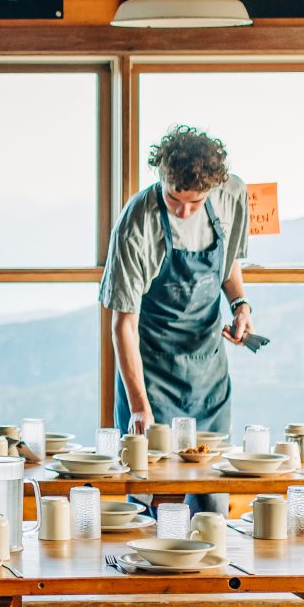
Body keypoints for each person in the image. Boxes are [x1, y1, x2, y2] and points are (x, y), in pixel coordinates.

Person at [100, 124, 253, 435]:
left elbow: (229, 260)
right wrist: (139, 405)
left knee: (211, 478)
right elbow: (123, 325)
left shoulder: (232, 194)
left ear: (214, 187)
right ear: (161, 178)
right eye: (174, 199)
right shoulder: (136, 224)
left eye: (196, 203)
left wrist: (240, 304)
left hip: (208, 376)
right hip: (153, 378)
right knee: (151, 479)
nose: (184, 212)